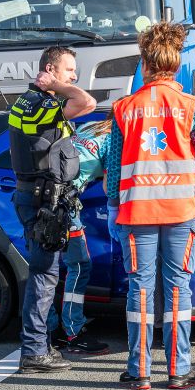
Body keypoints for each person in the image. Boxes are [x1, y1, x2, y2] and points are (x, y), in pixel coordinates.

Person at [106, 22, 195, 390]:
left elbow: (113, 167)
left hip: (137, 213)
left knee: (139, 288)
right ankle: (177, 370)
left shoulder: (124, 108)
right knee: (177, 289)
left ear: (145, 63)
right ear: (174, 65)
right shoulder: (190, 107)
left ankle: (139, 372)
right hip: (180, 212)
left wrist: (112, 204)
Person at [9, 46, 96, 374]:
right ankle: (34, 350)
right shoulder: (42, 105)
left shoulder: (25, 101)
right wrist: (55, 87)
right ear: (50, 69)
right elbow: (86, 102)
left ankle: (39, 344)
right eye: (69, 70)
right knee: (45, 276)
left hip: (35, 197)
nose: (74, 76)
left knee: (43, 273)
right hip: (42, 202)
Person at [51, 119, 114, 355]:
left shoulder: (90, 127)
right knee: (79, 266)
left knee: (47, 269)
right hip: (64, 205)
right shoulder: (113, 140)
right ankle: (72, 331)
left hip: (45, 199)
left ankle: (49, 331)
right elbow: (110, 188)